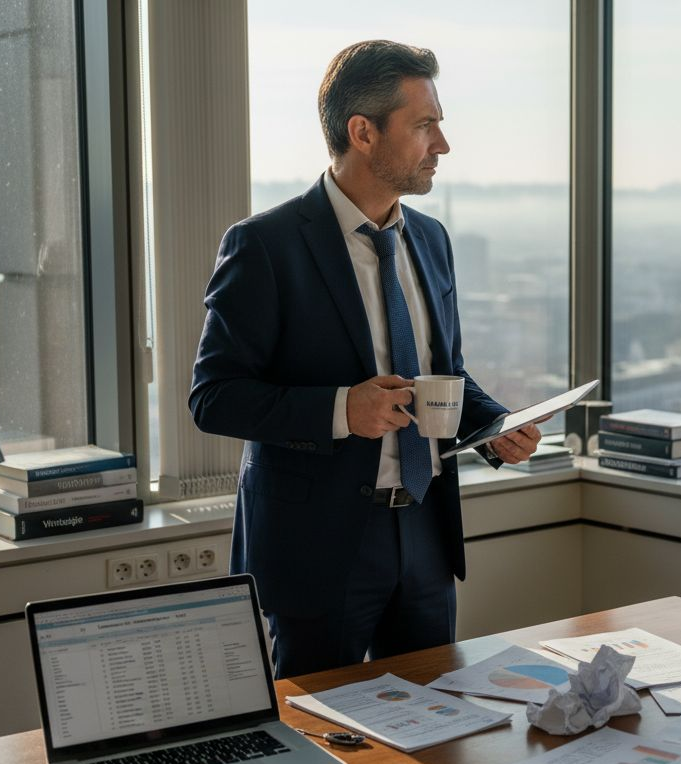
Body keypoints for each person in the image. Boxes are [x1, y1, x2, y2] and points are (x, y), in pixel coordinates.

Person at [189, 40, 541, 679]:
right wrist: (342, 409)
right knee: (320, 739)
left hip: (427, 534)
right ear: (364, 132)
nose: (443, 144)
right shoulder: (264, 246)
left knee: (438, 728)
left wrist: (494, 428)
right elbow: (213, 397)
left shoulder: (430, 240)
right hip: (315, 549)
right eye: (426, 125)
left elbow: (446, 374)